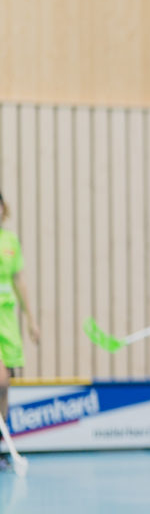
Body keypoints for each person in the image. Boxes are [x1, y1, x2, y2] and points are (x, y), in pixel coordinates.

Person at [0, 191, 39, 472]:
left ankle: (1, 448)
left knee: (5, 389)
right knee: (0, 380)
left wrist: (31, 321)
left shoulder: (11, 241)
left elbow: (19, 281)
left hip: (8, 319)